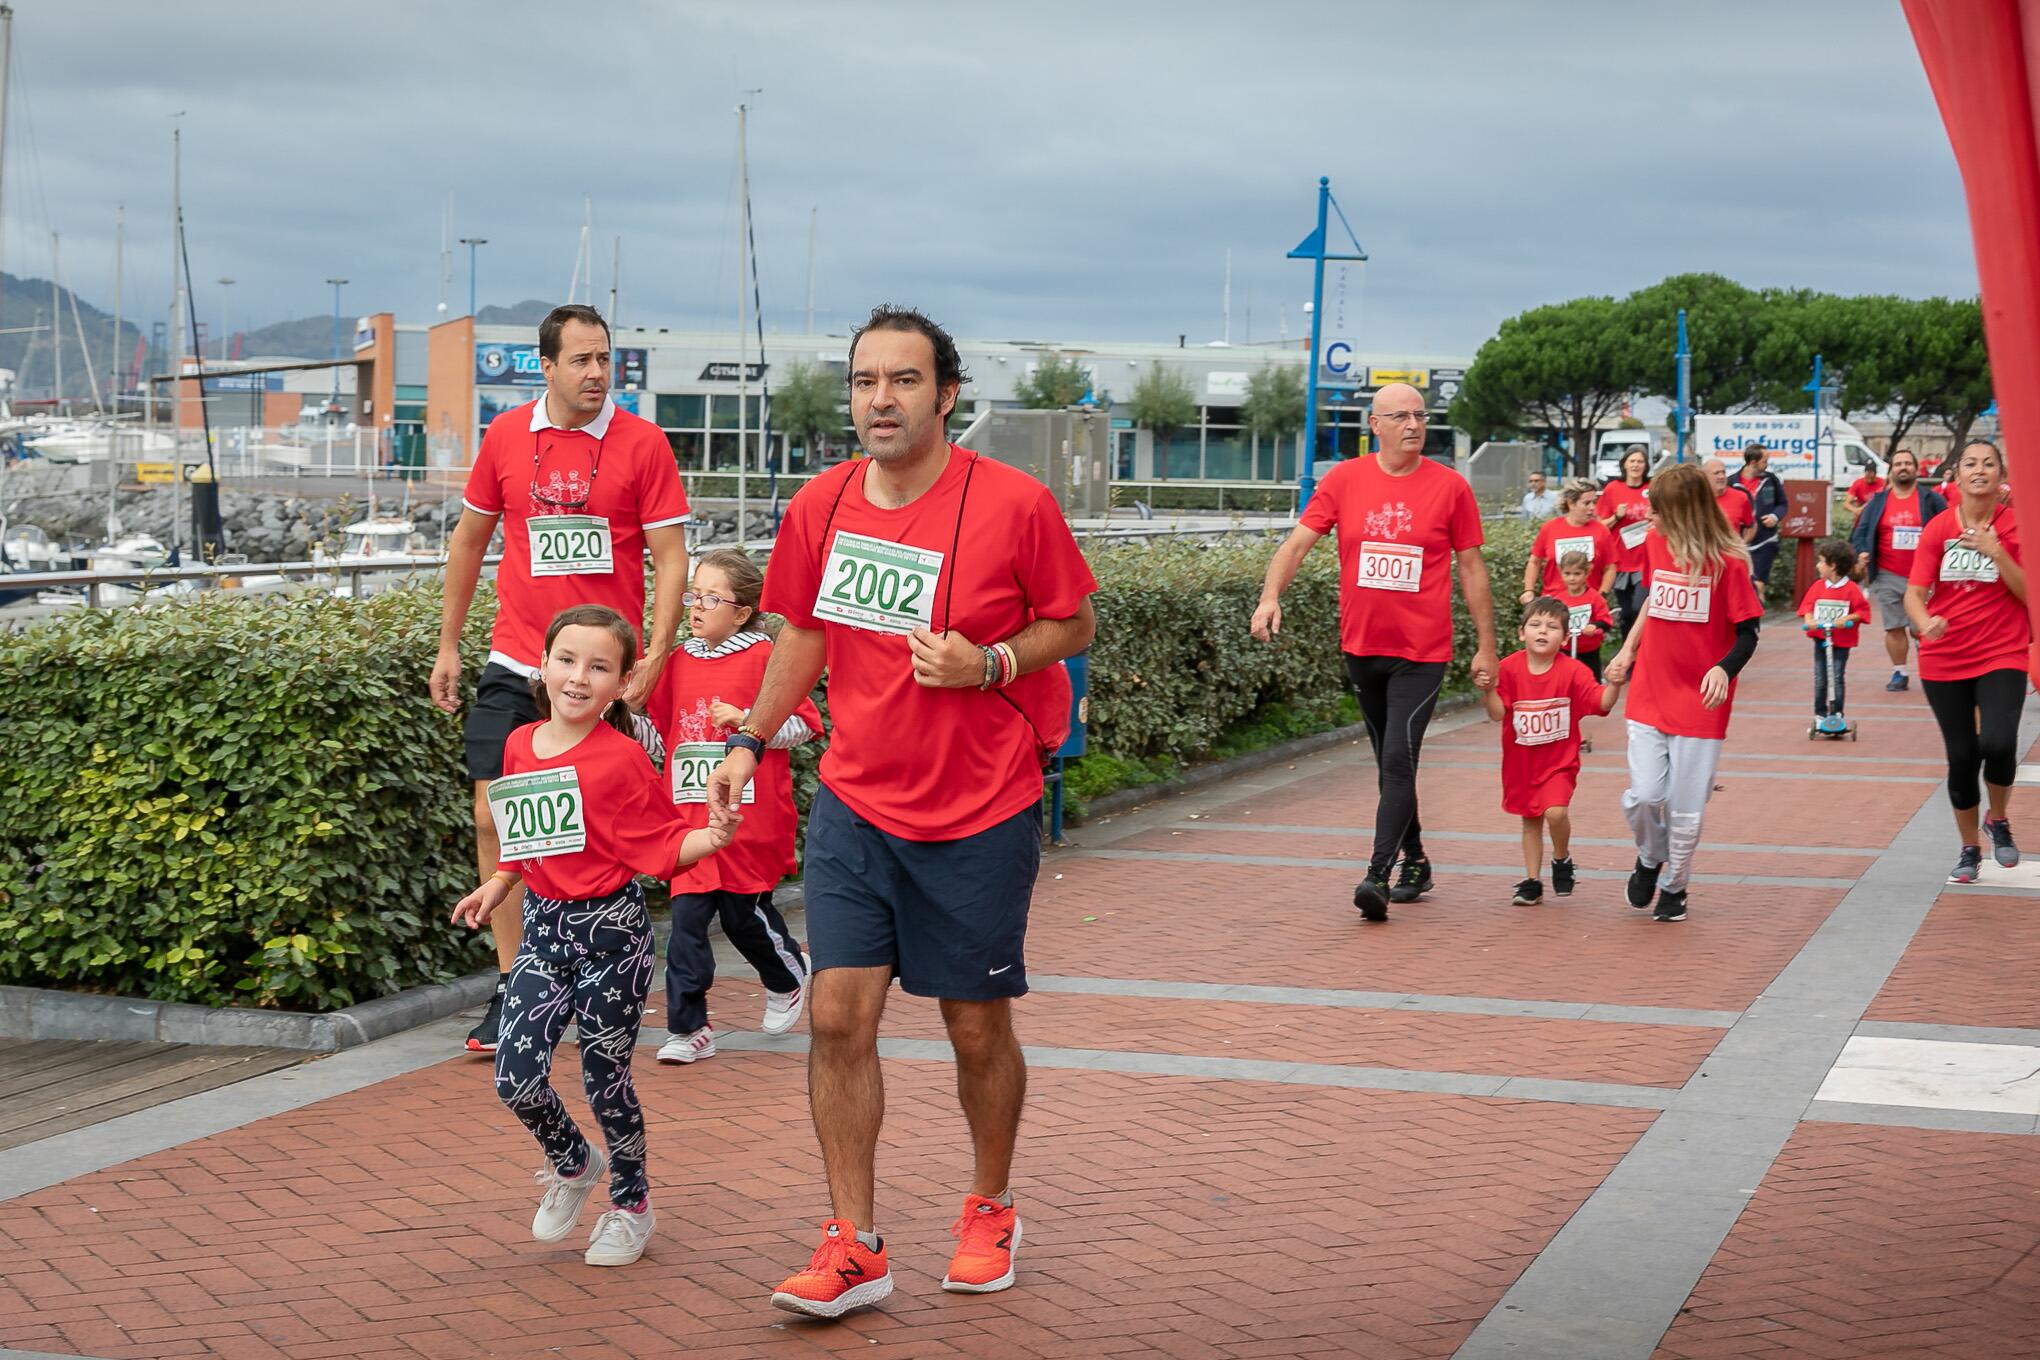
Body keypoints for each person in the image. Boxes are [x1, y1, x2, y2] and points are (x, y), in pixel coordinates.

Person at [708, 305, 1096, 1317]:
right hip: (856, 798)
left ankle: (991, 1203)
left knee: (975, 1026)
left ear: (948, 395)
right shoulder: (820, 505)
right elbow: (803, 633)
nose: (880, 400)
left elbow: (1074, 619)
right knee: (836, 1014)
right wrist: (751, 738)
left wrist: (991, 662)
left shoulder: (1014, 504)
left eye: (904, 380)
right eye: (864, 381)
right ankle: (854, 1242)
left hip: (981, 801)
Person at [430, 304, 691, 1055]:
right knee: (493, 816)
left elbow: (671, 558)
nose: (596, 374)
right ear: (546, 366)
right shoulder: (507, 436)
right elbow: (471, 540)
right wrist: (450, 646)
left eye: (605, 359)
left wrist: (658, 652)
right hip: (519, 659)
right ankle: (517, 989)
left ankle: (598, 971)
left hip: (603, 673)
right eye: (580, 360)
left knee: (600, 831)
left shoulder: (642, 444)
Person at [450, 605, 735, 1268]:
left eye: (598, 666)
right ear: (543, 667)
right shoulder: (520, 744)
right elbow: (526, 837)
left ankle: (631, 1205)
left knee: (606, 1077)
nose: (579, 676)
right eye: (567, 660)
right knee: (515, 1076)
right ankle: (574, 1162)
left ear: (621, 681)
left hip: (613, 934)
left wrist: (714, 835)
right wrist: (500, 883)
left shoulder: (624, 760)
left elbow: (665, 841)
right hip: (545, 929)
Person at [1253, 382, 1499, 919]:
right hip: (1362, 646)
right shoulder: (1343, 479)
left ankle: (1376, 876)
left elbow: (1472, 569)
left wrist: (1487, 647)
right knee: (1392, 763)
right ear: (1375, 425)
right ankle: (1416, 860)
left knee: (1396, 758)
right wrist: (1270, 597)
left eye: (1420, 415)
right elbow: (1296, 544)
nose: (1413, 425)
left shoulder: (1451, 487)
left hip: (1422, 651)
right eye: (1400, 416)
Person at [645, 548, 821, 1065]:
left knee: (745, 916)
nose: (695, 607)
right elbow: (660, 739)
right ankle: (689, 1027)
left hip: (750, 817)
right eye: (692, 595)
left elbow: (806, 726)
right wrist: (618, 714)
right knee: (688, 922)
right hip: (689, 819)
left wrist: (748, 721)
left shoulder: (767, 657)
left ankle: (786, 973)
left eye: (710, 598)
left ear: (742, 611)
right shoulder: (677, 661)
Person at [1603, 464, 1763, 923]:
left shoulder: (1729, 563)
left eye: (1658, 508)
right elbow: (1653, 603)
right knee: (1645, 796)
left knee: (1687, 810)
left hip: (1701, 699)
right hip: (1652, 687)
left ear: (1685, 511)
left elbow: (1748, 634)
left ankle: (1675, 886)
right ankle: (1651, 857)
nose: (1648, 514)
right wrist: (1627, 652)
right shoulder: (1655, 542)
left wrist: (1723, 669)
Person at [1904, 440, 2029, 883]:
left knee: (1997, 742)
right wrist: (1924, 623)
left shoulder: (2018, 527)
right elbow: (1915, 594)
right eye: (1970, 464)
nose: (1979, 470)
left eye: (1988, 464)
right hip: (1945, 657)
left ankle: (1998, 818)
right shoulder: (1938, 528)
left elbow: (2029, 594)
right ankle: (1969, 847)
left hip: (2003, 651)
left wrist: (1997, 551)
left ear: (2001, 475)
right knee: (1961, 757)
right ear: (1956, 476)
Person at [1478, 595, 1623, 905]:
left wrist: (1615, 684)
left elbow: (1601, 703)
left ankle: (1561, 858)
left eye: (1552, 626)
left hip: (1559, 762)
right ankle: (1532, 881)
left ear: (1565, 637)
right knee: (1530, 821)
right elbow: (1497, 714)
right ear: (1521, 633)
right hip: (1521, 764)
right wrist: (1488, 690)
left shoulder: (1573, 672)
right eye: (1535, 625)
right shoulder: (1509, 668)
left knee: (1555, 813)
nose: (1543, 631)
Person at [1849, 447, 1945, 692]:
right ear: (1891, 471)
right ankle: (1899, 672)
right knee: (1894, 626)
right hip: (1887, 573)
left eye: (1908, 464)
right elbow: (1860, 533)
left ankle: (1930, 667)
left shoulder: (1930, 499)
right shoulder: (1878, 501)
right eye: (1898, 464)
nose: (1903, 467)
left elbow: (1948, 527)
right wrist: (1861, 551)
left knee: (1920, 627)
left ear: (1915, 469)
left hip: (1925, 576)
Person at [1797, 540, 1871, 723]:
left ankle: (1837, 713)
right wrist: (1809, 620)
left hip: (1841, 641)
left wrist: (1847, 619)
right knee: (1820, 678)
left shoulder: (1851, 589)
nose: (1818, 565)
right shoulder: (1818, 587)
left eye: (1821, 561)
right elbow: (1807, 607)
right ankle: (1820, 715)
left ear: (1833, 565)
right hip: (1821, 639)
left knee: (1837, 676)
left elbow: (1862, 611)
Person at [1522, 480, 1618, 603]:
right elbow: (1534, 562)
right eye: (1587, 503)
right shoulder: (1550, 528)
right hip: (1554, 602)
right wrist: (1528, 590)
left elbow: (1610, 567)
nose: (1592, 508)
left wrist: (1602, 594)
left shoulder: (1601, 531)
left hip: (1588, 603)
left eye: (1594, 502)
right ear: (1571, 504)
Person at [1595, 448, 1653, 637]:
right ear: (1624, 464)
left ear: (1646, 465)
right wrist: (1616, 517)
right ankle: (1628, 655)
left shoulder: (1652, 487)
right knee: (1627, 612)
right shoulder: (1613, 489)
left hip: (1646, 560)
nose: (1636, 465)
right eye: (1632, 461)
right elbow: (1600, 526)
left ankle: (1642, 648)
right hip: (1620, 560)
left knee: (1639, 607)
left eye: (1640, 461)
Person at [1553, 550, 1616, 680]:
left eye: (1577, 574)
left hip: (1589, 651)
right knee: (1565, 680)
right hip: (1566, 649)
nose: (1572, 578)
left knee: (1591, 681)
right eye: (1567, 573)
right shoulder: (1559, 599)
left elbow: (1606, 622)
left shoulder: (1594, 597)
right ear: (1561, 573)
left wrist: (1594, 626)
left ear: (1586, 573)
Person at [1738, 443, 1786, 594]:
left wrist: (1775, 516)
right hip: (1739, 542)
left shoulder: (1771, 480)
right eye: (1764, 461)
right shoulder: (1732, 482)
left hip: (1765, 540)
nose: (1767, 465)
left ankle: (1756, 616)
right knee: (1742, 582)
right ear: (1753, 462)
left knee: (1758, 582)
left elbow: (1783, 504)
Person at [1706, 458, 1756, 543]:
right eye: (1716, 473)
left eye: (1723, 472)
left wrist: (1741, 546)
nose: (1721, 476)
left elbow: (1751, 526)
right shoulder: (1696, 498)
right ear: (1705, 476)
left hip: (1731, 554)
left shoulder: (1741, 497)